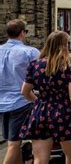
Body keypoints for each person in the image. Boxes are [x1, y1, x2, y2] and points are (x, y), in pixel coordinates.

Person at [20, 31, 71, 164]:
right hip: (64, 113)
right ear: (64, 46)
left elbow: (25, 91)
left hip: (41, 113)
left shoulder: (35, 65)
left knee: (39, 158)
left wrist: (38, 101)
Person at [0, 20, 40, 164]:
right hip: (21, 102)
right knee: (14, 144)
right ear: (22, 33)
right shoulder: (30, 52)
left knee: (12, 142)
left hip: (2, 103)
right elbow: (42, 74)